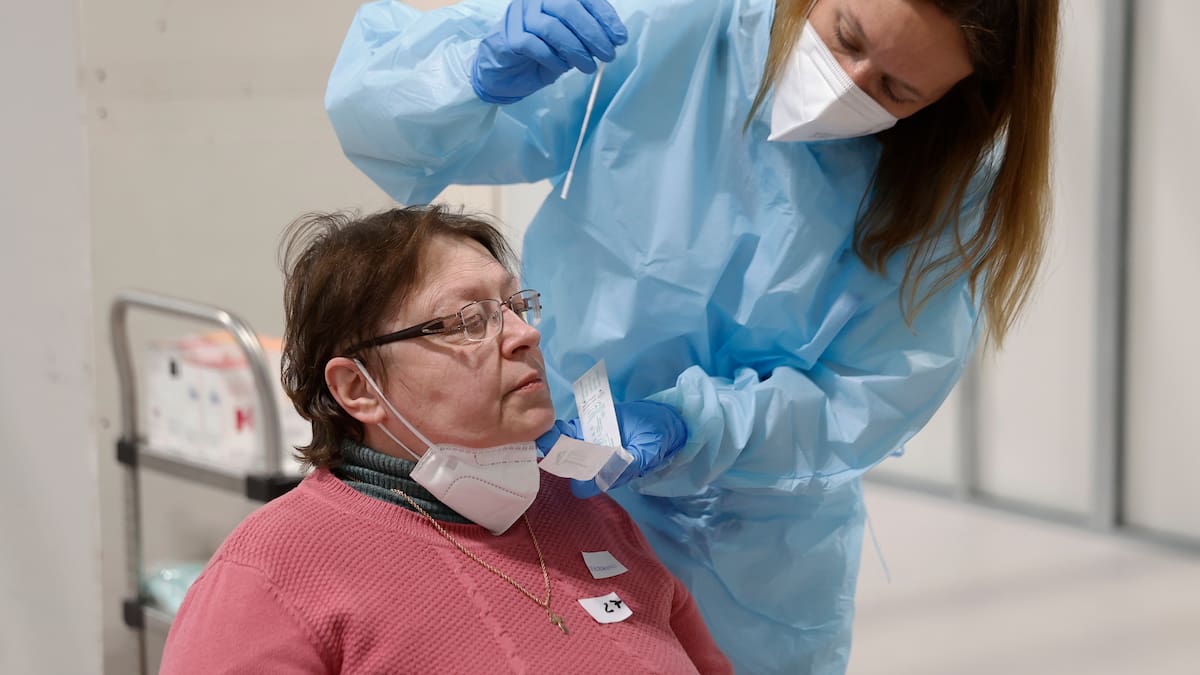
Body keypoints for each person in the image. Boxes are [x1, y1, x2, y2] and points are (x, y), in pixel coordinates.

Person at [324, 1, 1060, 672]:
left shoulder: (953, 179)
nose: (847, 84)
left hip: (759, 551)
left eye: (897, 91)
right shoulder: (671, 24)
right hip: (559, 475)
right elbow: (385, 110)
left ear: (953, 98)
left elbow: (871, 395)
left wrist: (695, 426)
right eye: (845, 36)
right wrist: (470, 72)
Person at [158, 205, 732, 674]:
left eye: (515, 306)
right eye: (469, 321)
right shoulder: (272, 575)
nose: (525, 335)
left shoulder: (586, 508)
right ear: (359, 388)